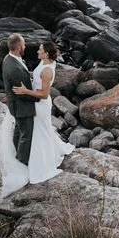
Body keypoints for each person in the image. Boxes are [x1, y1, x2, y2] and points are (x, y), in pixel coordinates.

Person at [0, 34, 40, 198]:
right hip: (21, 106)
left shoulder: (9, 59)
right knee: (26, 135)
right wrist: (38, 96)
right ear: (18, 47)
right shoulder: (14, 68)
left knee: (19, 132)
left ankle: (16, 157)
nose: (25, 47)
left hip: (15, 105)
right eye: (23, 45)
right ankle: (22, 164)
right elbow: (22, 93)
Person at [25, 39, 72, 184]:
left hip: (41, 104)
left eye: (40, 50)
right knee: (43, 130)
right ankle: (52, 152)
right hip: (38, 103)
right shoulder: (46, 63)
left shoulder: (47, 70)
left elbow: (44, 94)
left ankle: (44, 161)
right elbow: (37, 78)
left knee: (41, 132)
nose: (37, 51)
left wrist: (24, 91)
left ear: (45, 54)